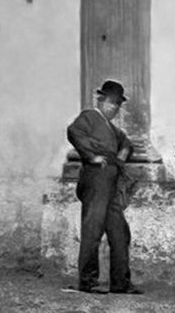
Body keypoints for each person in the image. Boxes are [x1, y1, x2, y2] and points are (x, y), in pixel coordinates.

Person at [65, 79, 141, 294]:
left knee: (120, 232)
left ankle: (121, 283)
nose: (114, 107)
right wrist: (92, 156)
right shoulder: (89, 116)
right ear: (100, 100)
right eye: (110, 102)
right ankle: (88, 282)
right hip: (96, 178)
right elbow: (74, 132)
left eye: (118, 104)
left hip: (112, 182)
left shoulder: (112, 128)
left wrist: (122, 155)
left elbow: (126, 142)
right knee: (92, 229)